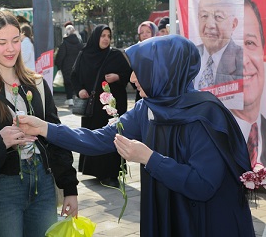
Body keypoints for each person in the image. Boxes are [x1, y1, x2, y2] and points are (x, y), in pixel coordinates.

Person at [18, 35, 255, 236]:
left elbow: (203, 185)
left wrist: (150, 158)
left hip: (205, 221)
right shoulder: (148, 108)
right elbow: (99, 139)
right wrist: (44, 128)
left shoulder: (205, 115)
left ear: (164, 72)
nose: (132, 78)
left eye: (141, 70)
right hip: (167, 212)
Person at [0, 11, 79, 237]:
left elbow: (57, 137)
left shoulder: (37, 84)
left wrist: (69, 188)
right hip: (0, 187)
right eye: (2, 42)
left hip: (42, 184)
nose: (11, 49)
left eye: (16, 41)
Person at [70, 24, 131, 186]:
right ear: (96, 36)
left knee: (111, 135)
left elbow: (129, 73)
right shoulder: (84, 54)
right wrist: (80, 90)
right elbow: (74, 76)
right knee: (94, 135)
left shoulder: (115, 55)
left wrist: (117, 76)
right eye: (103, 35)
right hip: (93, 107)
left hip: (112, 106)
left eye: (108, 36)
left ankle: (111, 174)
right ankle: (96, 171)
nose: (106, 39)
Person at [232, 0, 266, 166]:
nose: (243, 60)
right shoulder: (208, 132)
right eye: (233, 47)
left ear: (262, 50)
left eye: (250, 43)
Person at [194, 0, 243, 90]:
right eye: (204, 16)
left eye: (218, 17)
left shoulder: (243, 60)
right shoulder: (189, 55)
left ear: (233, 24)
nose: (210, 25)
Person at [54, 24, 83, 106]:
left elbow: (61, 56)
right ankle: (76, 97)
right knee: (76, 82)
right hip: (77, 66)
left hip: (66, 67)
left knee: (68, 83)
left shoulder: (65, 43)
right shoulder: (79, 42)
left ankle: (70, 99)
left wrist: (58, 65)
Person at [133, 21, 158, 101]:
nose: (145, 34)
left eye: (148, 32)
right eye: (142, 32)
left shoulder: (158, 50)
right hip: (140, 91)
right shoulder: (136, 51)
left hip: (155, 90)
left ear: (153, 33)